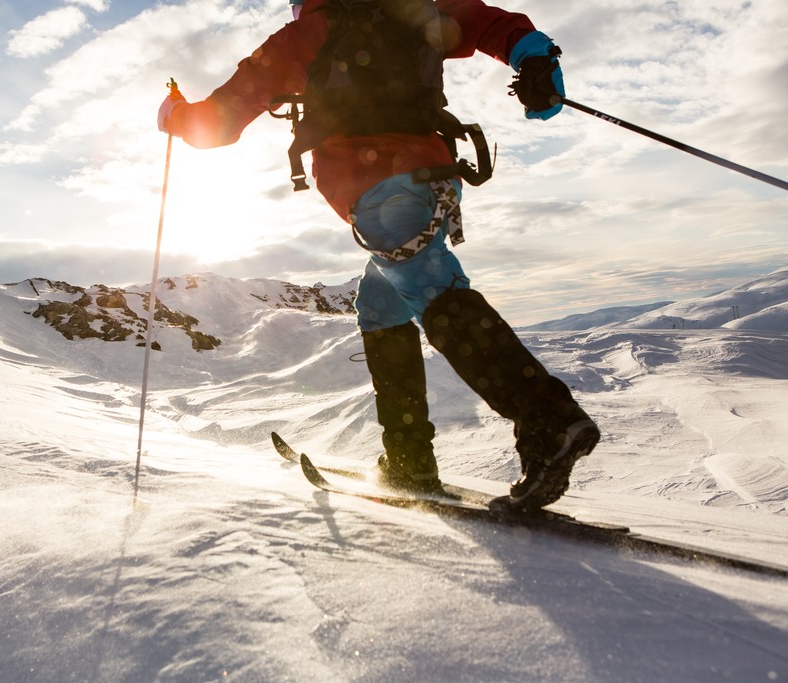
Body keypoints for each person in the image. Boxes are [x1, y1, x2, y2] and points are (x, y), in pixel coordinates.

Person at [157, 0, 599, 510]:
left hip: (382, 194)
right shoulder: (415, 12)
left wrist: (174, 114)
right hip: (432, 183)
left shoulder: (311, 33)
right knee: (380, 303)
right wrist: (536, 61)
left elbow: (219, 122)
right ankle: (408, 458)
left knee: (435, 293)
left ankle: (548, 420)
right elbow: (491, 25)